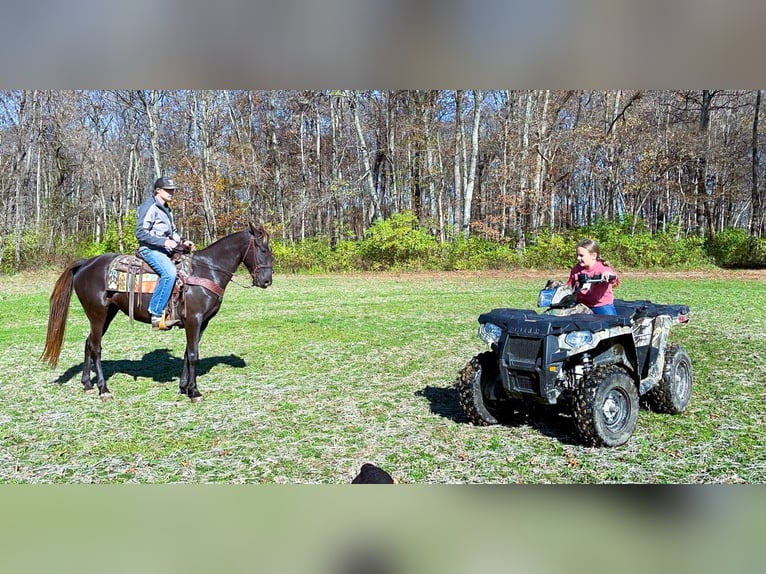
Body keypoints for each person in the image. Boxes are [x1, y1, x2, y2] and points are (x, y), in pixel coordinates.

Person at [135, 176, 194, 330]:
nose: (171, 192)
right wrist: (164, 242)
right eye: (168, 190)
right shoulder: (150, 207)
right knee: (169, 273)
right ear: (157, 190)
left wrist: (183, 241)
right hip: (150, 249)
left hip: (164, 249)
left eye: (172, 190)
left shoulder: (166, 209)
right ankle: (155, 313)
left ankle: (177, 310)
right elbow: (140, 232)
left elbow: (172, 232)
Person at [566, 238, 620, 315]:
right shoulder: (576, 269)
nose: (578, 258)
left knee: (611, 324)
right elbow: (569, 286)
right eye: (577, 255)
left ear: (593, 256)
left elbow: (613, 277)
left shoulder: (602, 268)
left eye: (581, 255)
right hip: (581, 304)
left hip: (600, 305)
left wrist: (608, 275)